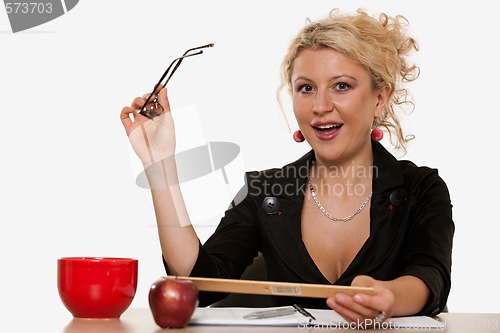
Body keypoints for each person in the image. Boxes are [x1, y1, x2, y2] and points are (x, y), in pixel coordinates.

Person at [120, 9, 454, 325]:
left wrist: (390, 298)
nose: (320, 106)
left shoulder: (420, 188)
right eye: (306, 88)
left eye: (342, 86)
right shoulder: (264, 192)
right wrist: (159, 164)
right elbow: (198, 283)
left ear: (380, 97)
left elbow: (431, 276)